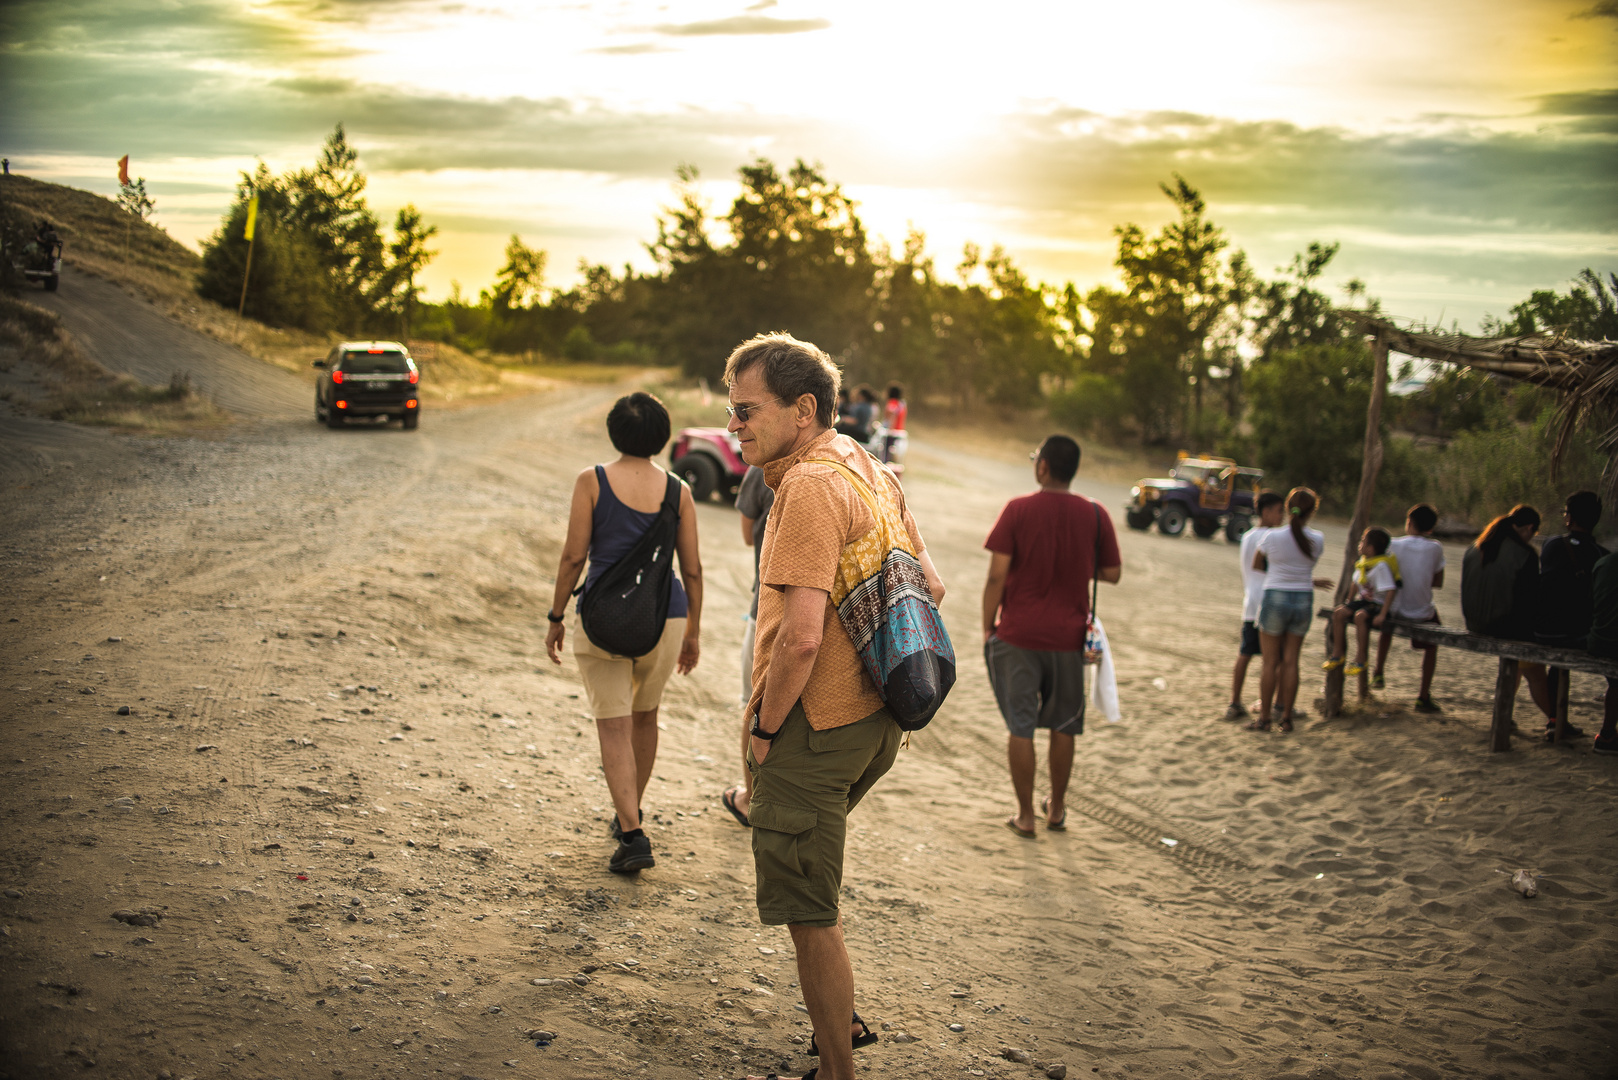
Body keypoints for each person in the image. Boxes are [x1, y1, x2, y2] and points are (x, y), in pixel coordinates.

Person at [725, 332, 944, 1080]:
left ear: (803, 408)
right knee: (812, 879)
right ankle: (838, 1016)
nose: (734, 426)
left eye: (748, 410)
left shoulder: (810, 487)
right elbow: (932, 588)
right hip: (875, 724)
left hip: (813, 731)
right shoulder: (868, 467)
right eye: (732, 411)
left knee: (808, 911)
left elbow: (801, 641)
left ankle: (838, 1070)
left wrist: (762, 730)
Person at [545, 392, 703, 874]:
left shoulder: (591, 482)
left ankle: (632, 831)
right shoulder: (679, 491)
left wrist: (555, 617)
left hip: (605, 617)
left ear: (615, 431)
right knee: (645, 716)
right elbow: (692, 569)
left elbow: (574, 556)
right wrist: (693, 632)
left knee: (611, 723)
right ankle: (629, 811)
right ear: (662, 435)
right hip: (666, 615)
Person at [982, 435, 1122, 836]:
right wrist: (1075, 565)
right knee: (1065, 725)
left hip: (1018, 634)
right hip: (1069, 638)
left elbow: (996, 575)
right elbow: (1112, 573)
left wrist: (987, 626)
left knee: (1020, 726)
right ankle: (1056, 809)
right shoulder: (1096, 514)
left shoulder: (1018, 510)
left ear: (1043, 467)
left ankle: (1025, 816)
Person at [1461, 504, 1558, 733]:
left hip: (1474, 623)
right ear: (1529, 528)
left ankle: (1505, 711)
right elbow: (1529, 603)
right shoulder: (1524, 555)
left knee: (1515, 665)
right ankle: (1556, 719)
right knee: (1534, 669)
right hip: (1503, 627)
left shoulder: (1474, 548)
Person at [1248, 487, 1332, 733]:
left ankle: (1264, 718)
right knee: (1291, 660)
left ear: (1287, 507)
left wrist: (1278, 574)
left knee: (1269, 663)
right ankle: (1286, 717)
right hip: (1303, 598)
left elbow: (1257, 564)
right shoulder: (1317, 539)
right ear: (1313, 511)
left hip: (1275, 596)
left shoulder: (1272, 537)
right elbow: (1305, 567)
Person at [722, 464, 774, 827]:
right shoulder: (854, 462)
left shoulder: (764, 466)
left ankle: (750, 800)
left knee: (753, 706)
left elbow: (745, 534)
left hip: (767, 610)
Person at [1373, 503, 1446, 712]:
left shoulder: (1392, 545)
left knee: (1387, 621)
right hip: (1420, 612)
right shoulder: (1435, 547)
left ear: (1408, 523)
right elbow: (1437, 582)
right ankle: (1423, 695)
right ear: (1430, 529)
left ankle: (1378, 671)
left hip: (1393, 609)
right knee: (1433, 643)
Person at [1226, 492, 1286, 721]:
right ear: (1266, 511)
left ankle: (1234, 701)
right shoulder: (1274, 537)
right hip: (1270, 601)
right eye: (1279, 510)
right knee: (1275, 660)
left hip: (1251, 601)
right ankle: (1274, 703)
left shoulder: (1248, 536)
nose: (1282, 516)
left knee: (1245, 653)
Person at [1325, 526, 1398, 678]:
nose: (1359, 544)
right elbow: (1355, 583)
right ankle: (1338, 653)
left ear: (1370, 548)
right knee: (1338, 613)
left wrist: (1383, 614)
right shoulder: (1363, 563)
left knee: (1360, 616)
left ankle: (1361, 658)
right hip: (1364, 601)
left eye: (1363, 541)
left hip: (1377, 603)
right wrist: (1349, 602)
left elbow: (1391, 590)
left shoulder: (1381, 566)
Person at [1586, 550, 1618, 755]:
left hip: (1599, 641)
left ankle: (1607, 734)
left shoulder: (1604, 563)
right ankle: (1606, 735)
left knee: (1615, 682)